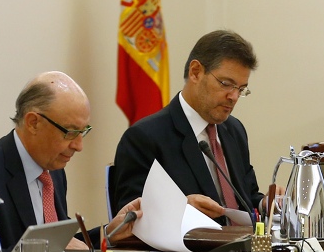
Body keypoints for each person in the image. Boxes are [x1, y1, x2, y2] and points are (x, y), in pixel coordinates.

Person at [0, 72, 142, 252]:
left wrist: (108, 234)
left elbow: (63, 244)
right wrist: (43, 249)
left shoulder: (53, 170)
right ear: (33, 123)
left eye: (83, 131)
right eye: (70, 132)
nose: (79, 145)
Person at [113, 30, 266, 222]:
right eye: (226, 84)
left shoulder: (234, 130)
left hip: (245, 240)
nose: (234, 97)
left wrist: (266, 203)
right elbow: (130, 217)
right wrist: (181, 208)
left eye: (241, 89)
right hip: (192, 242)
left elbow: (247, 198)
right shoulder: (144, 138)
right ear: (195, 72)